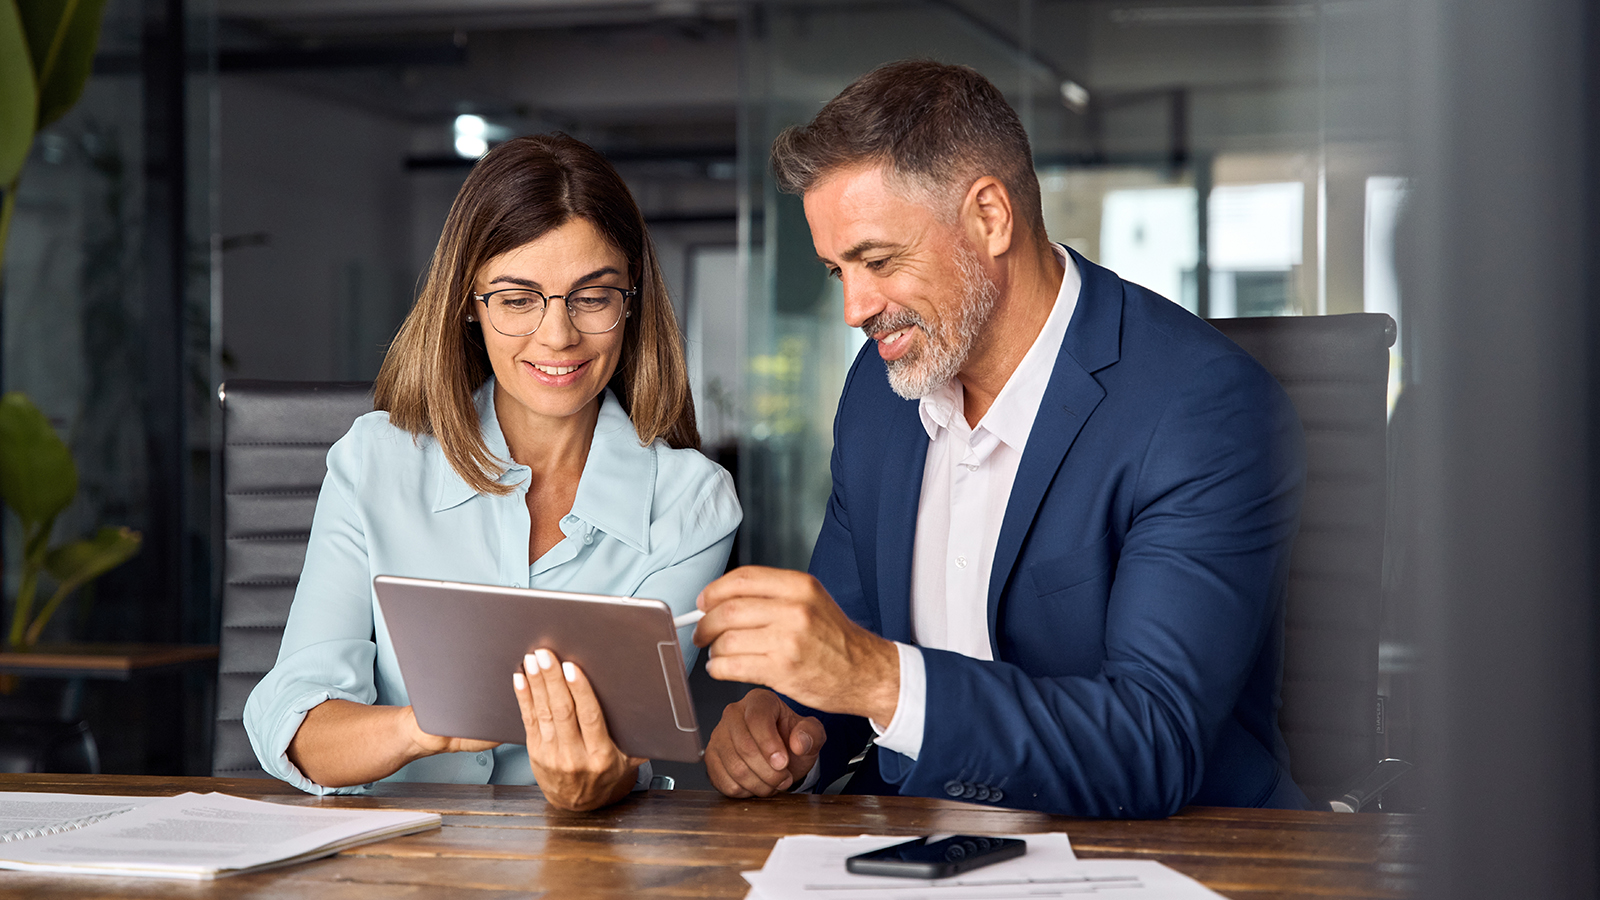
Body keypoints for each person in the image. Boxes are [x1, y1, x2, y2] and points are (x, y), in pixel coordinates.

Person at [692, 60, 1307, 817]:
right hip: (911, 841)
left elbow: (1155, 743)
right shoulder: (879, 394)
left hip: (1157, 852)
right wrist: (787, 725)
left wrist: (879, 680)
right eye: (835, 271)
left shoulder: (1202, 409)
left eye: (878, 260)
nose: (854, 308)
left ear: (990, 216)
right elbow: (851, 648)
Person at [244, 134, 741, 812]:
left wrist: (598, 778)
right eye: (517, 299)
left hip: (583, 865)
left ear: (632, 301)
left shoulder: (691, 503)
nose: (558, 335)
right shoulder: (374, 463)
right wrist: (426, 725)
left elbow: (629, 744)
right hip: (395, 868)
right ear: (469, 306)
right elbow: (296, 724)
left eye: (592, 297)